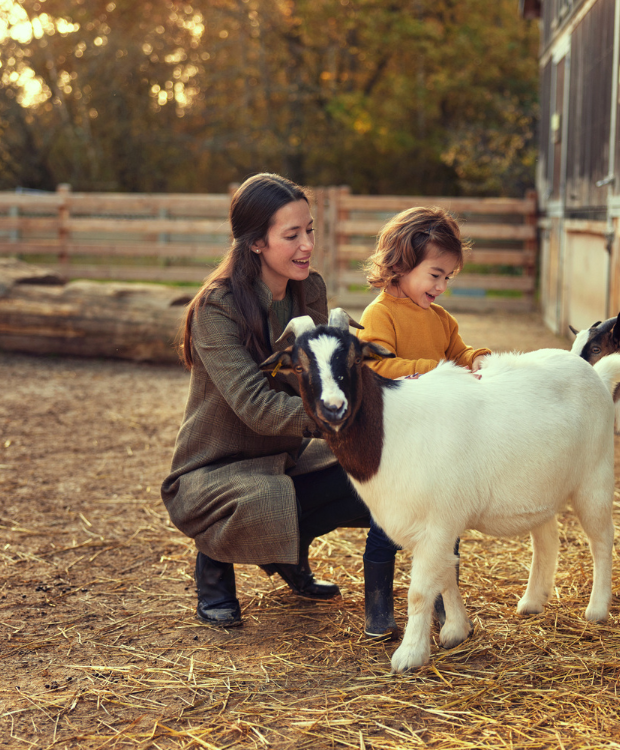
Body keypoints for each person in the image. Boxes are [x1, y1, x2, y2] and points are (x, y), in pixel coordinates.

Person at [161, 173, 374, 628]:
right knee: (260, 494)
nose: (307, 245)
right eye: (291, 235)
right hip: (218, 467)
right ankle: (214, 571)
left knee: (364, 465)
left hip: (285, 455)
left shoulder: (309, 290)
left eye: (310, 230)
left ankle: (286, 552)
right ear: (256, 243)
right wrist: (334, 419)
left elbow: (322, 374)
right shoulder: (215, 309)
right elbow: (256, 405)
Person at [356, 206, 491, 638]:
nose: (442, 286)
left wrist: (477, 358)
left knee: (444, 524)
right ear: (401, 263)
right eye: (435, 274)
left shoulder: (440, 320)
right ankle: (378, 606)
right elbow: (377, 367)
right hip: (397, 443)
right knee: (386, 526)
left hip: (439, 444)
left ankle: (440, 603)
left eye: (448, 277)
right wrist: (434, 369)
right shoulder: (380, 315)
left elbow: (460, 352)